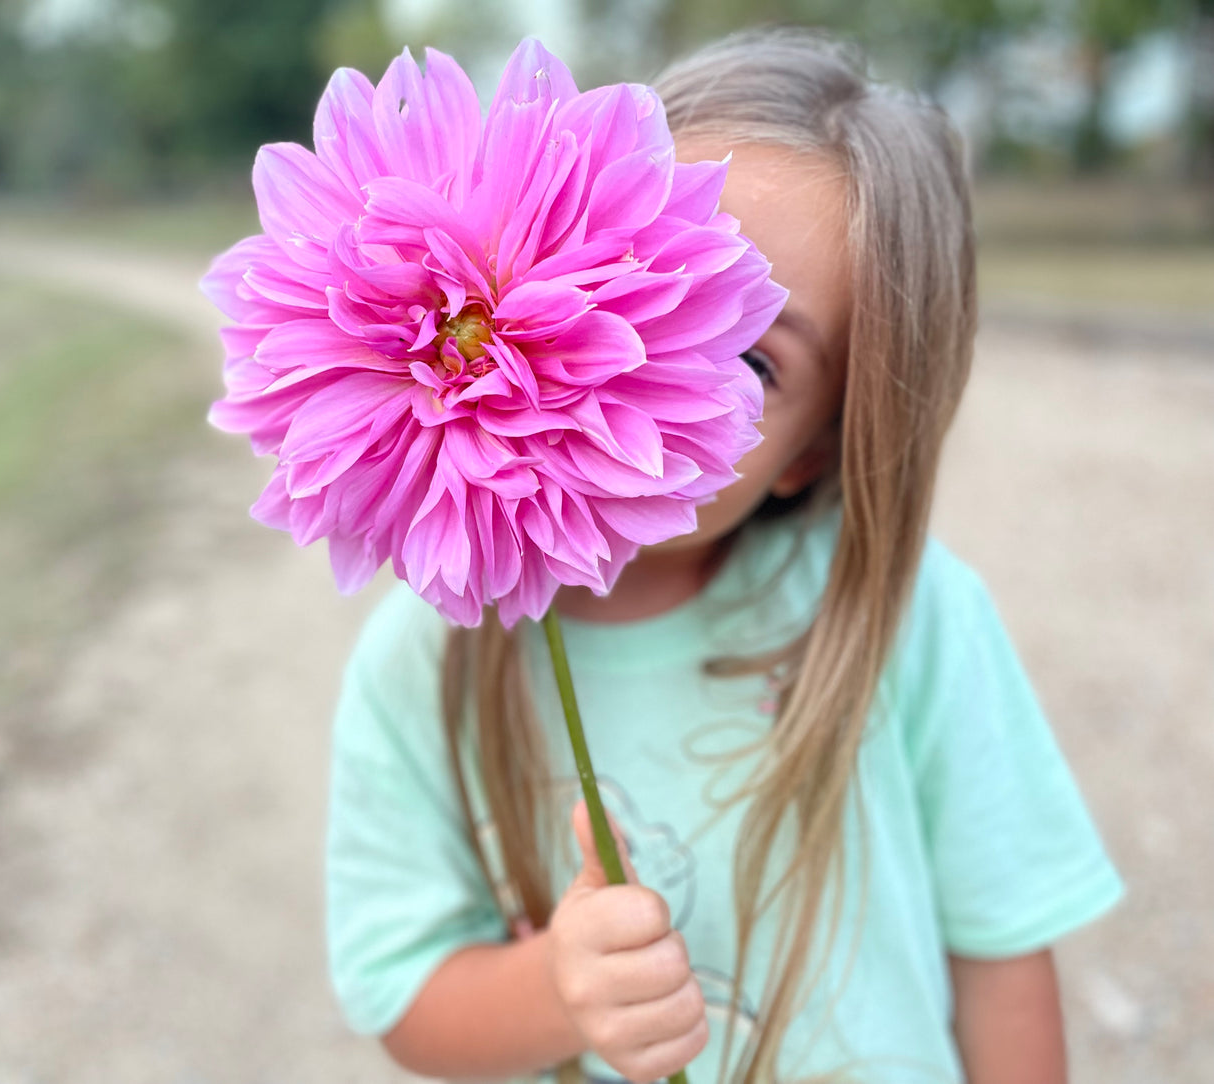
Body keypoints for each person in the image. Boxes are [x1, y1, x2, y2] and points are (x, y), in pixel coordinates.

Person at [323, 27, 1124, 1084]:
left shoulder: (911, 619)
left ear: (813, 452)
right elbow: (404, 995)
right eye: (617, 280)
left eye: (748, 354)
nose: (632, 354)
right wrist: (558, 987)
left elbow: (1001, 952)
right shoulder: (422, 657)